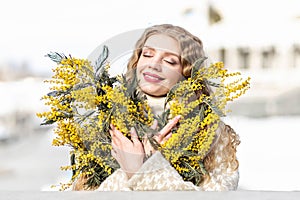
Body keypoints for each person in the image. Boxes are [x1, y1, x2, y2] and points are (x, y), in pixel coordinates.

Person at [73, 24, 240, 191]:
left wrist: (142, 170)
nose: (153, 64)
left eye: (169, 61)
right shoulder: (105, 124)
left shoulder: (211, 132)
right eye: (147, 54)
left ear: (188, 73)